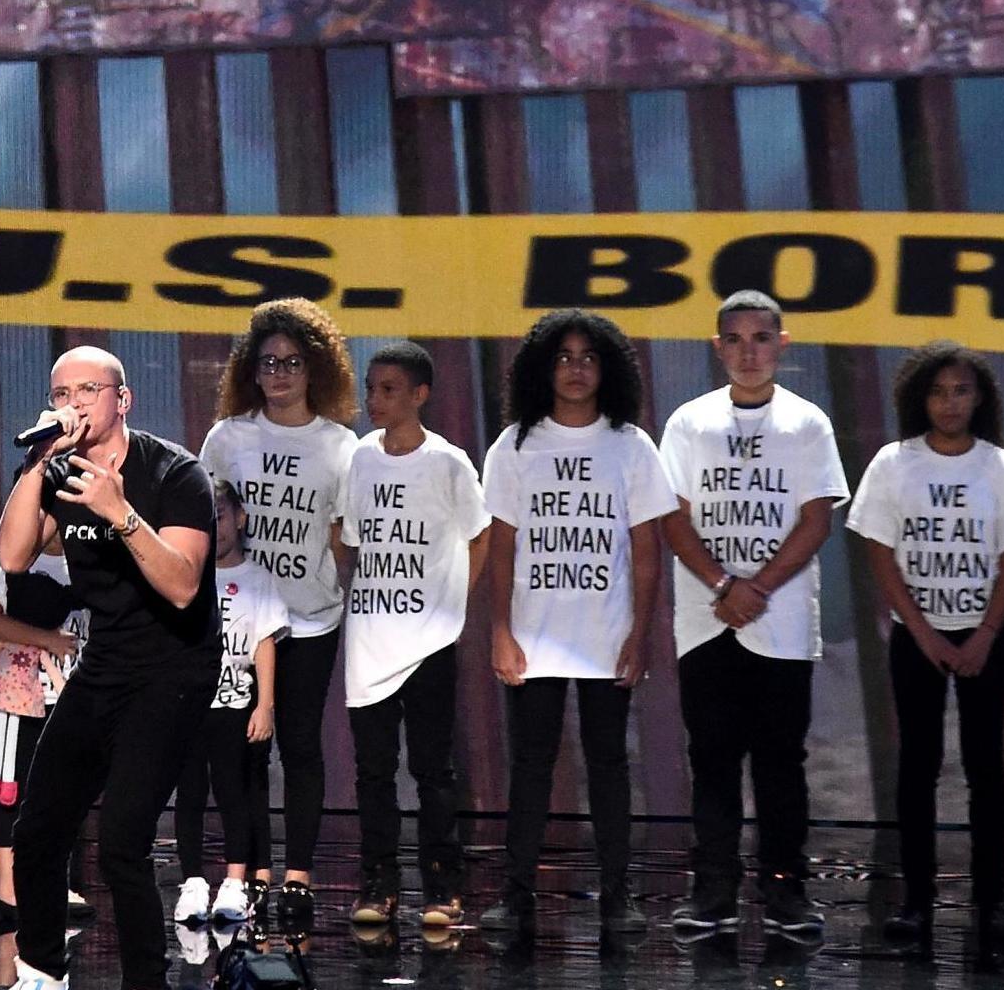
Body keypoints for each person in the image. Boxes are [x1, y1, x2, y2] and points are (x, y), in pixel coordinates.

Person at [0, 346, 217, 990]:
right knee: (38, 827)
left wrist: (118, 512)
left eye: (87, 391)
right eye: (60, 392)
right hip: (105, 665)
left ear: (121, 399)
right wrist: (38, 465)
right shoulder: (58, 472)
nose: (73, 403)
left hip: (174, 668)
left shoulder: (175, 474)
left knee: (124, 839)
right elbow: (11, 557)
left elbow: (184, 587)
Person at [477, 309, 678, 941]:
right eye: (563, 356)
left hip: (607, 634)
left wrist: (641, 632)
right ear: (543, 366)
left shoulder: (630, 445)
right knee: (532, 765)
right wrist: (500, 630)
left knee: (609, 763)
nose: (576, 368)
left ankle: (618, 896)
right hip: (534, 637)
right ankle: (516, 895)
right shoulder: (515, 444)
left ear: (608, 368)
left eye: (588, 356)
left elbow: (647, 550)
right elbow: (501, 546)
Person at [659, 290, 847, 937]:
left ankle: (784, 892)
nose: (747, 351)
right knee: (710, 757)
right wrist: (721, 583)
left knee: (778, 761)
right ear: (717, 348)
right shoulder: (687, 422)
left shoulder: (807, 423)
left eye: (760, 338)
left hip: (781, 622)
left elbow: (816, 519)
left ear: (782, 344)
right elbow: (671, 517)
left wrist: (756, 588)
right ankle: (711, 892)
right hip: (704, 617)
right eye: (734, 340)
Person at [846, 340, 1004, 949]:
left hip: (985, 636)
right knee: (917, 769)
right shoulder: (893, 463)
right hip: (914, 637)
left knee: (987, 770)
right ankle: (917, 903)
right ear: (917, 397)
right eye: (937, 391)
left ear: (979, 398)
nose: (949, 403)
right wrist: (923, 631)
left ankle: (991, 904)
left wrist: (983, 632)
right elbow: (880, 553)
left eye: (961, 391)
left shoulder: (1002, 467)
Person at [199, 299, 355, 932]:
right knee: (243, 753)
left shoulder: (341, 445)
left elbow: (345, 536)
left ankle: (298, 876)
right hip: (236, 622)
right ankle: (253, 873)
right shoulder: (227, 438)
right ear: (251, 371)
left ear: (315, 368)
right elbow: (201, 524)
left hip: (312, 617)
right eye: (269, 363)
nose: (281, 373)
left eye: (293, 362)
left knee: (300, 746)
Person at [341, 341, 486, 931]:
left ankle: (442, 885)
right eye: (372, 388)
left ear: (420, 395)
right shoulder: (359, 458)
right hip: (370, 634)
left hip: (428, 641)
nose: (374, 399)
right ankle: (378, 882)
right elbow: (349, 538)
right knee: (373, 772)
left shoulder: (449, 464)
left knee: (433, 770)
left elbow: (482, 536)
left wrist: (454, 603)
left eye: (388, 389)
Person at [175, 481, 287, 927]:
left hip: (234, 704)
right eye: (206, 516)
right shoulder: (188, 573)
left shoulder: (258, 579)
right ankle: (192, 884)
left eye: (220, 514)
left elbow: (264, 643)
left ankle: (235, 883)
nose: (214, 525)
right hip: (190, 706)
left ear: (239, 518)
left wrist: (265, 705)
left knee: (233, 793)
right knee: (189, 795)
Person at [0, 526, 88, 934]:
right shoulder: (16, 557)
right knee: (12, 789)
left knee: (66, 794)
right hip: (20, 698)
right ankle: (7, 890)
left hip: (74, 696)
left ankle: (59, 883)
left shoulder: (90, 554)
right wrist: (44, 639)